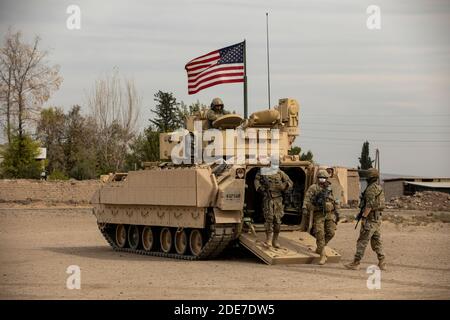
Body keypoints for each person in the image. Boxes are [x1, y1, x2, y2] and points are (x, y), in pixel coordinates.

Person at [345, 168, 386, 270]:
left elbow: (369, 205)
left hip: (370, 219)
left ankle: (356, 263)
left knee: (362, 241)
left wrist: (363, 217)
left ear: (370, 177)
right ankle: (382, 262)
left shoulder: (371, 188)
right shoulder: (378, 187)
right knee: (376, 241)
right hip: (376, 220)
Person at [302, 169, 340, 265]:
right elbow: (307, 199)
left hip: (330, 213)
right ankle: (322, 255)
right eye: (320, 178)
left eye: (324, 178)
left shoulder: (330, 188)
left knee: (331, 233)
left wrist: (337, 213)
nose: (322, 180)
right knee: (320, 234)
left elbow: (336, 201)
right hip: (319, 213)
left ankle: (320, 247)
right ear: (318, 178)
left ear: (327, 178)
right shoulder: (313, 188)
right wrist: (305, 208)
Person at [254, 165, 293, 248]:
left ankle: (275, 240)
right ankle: (268, 240)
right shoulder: (263, 171)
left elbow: (290, 183)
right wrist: (260, 188)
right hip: (268, 198)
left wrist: (284, 186)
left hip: (278, 200)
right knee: (269, 219)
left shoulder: (280, 172)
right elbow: (256, 181)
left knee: (278, 221)